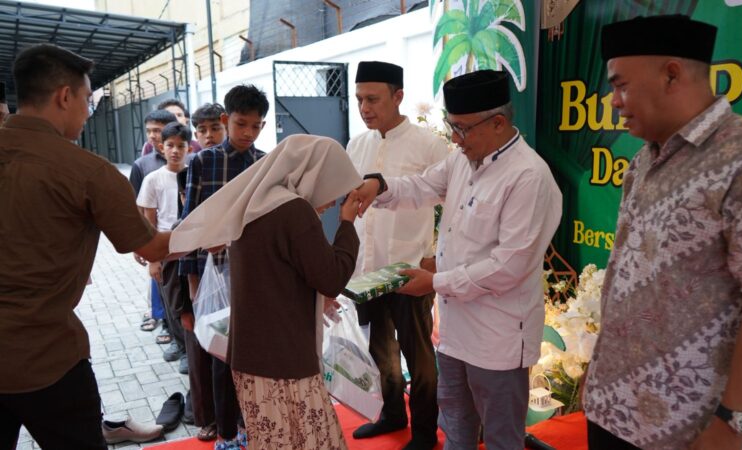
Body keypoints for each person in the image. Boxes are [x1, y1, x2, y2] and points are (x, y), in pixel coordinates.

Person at [581, 15, 742, 450]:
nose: (614, 101)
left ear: (672, 74)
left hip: (691, 428)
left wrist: (731, 422)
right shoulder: (643, 161)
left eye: (620, 85)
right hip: (613, 408)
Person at [353, 70, 563, 450]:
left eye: (462, 128)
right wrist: (380, 185)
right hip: (453, 335)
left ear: (498, 122)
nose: (454, 138)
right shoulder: (463, 161)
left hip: (497, 339)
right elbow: (420, 186)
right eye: (452, 126)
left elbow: (508, 266)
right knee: (456, 430)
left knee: (500, 438)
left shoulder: (528, 177)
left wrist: (434, 282)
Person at [0, 43, 170, 450]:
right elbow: (151, 248)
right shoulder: (86, 171)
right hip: (47, 362)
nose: (87, 111)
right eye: (87, 100)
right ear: (64, 96)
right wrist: (216, 223)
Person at [171, 134, 364, 449]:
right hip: (283, 357)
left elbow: (281, 273)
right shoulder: (294, 211)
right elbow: (331, 278)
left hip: (250, 355)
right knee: (312, 440)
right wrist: (347, 223)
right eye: (333, 189)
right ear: (314, 175)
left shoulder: (254, 203)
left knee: (271, 439)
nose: (331, 202)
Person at [347, 61, 447, 450]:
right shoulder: (357, 145)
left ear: (398, 96)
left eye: (373, 99)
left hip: (409, 270)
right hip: (366, 271)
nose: (364, 108)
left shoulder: (429, 144)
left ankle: (424, 433)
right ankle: (392, 414)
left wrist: (435, 256)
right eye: (359, 100)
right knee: (380, 349)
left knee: (419, 356)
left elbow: (451, 202)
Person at [178, 84, 270, 450]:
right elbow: (189, 225)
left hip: (255, 278)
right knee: (220, 355)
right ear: (224, 120)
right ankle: (227, 433)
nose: (248, 133)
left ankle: (252, 425)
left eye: (256, 126)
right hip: (213, 275)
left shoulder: (264, 163)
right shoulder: (203, 161)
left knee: (252, 356)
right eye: (241, 124)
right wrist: (191, 291)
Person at [171, 102, 229, 441]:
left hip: (236, 270)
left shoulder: (249, 162)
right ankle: (209, 419)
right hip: (199, 269)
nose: (208, 136)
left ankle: (237, 417)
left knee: (233, 350)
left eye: (214, 129)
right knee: (203, 350)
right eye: (202, 131)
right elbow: (189, 222)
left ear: (225, 126)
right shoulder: (196, 165)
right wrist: (191, 283)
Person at [137, 121, 191, 376]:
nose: (175, 151)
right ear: (161, 147)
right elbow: (149, 220)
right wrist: (153, 259)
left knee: (190, 302)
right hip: (165, 250)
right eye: (170, 145)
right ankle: (180, 347)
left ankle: (191, 350)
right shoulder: (153, 179)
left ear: (189, 148)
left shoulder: (195, 174)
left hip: (191, 248)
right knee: (171, 303)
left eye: (181, 146)